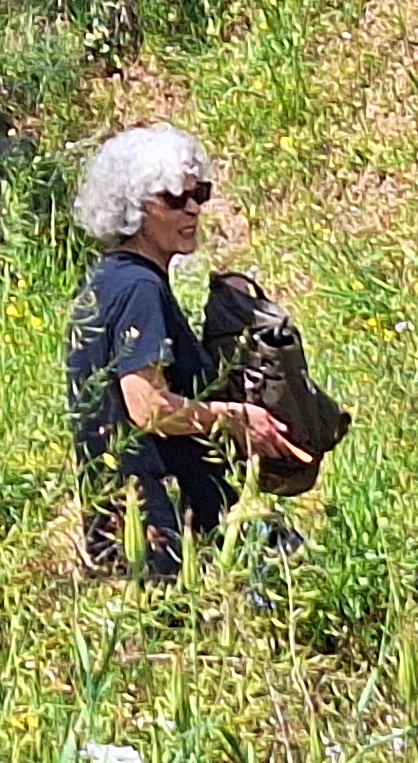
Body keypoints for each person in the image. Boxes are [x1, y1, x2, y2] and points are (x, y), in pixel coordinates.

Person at [64, 123, 303, 583]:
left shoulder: (110, 282)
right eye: (174, 199)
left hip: (136, 521)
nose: (193, 209)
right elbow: (147, 406)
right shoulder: (138, 289)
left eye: (200, 194)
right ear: (135, 209)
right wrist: (235, 418)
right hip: (166, 531)